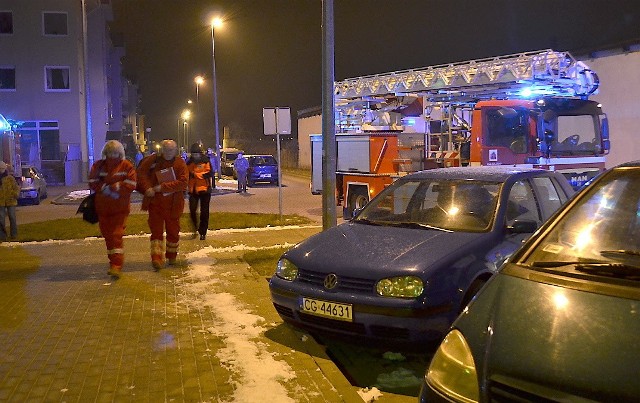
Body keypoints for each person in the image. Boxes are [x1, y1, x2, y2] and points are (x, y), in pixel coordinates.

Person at [136, 139, 188, 271]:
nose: (168, 152)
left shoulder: (180, 163)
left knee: (173, 232)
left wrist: (162, 187)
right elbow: (141, 173)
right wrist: (147, 188)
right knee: (156, 233)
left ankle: (172, 257)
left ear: (175, 150)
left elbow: (183, 183)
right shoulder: (153, 160)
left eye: (171, 150)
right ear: (162, 150)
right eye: (166, 149)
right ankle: (156, 258)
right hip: (155, 204)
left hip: (174, 205)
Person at [88, 141, 137, 278]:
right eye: (110, 153)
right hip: (103, 207)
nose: (112, 156)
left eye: (115, 153)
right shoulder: (99, 165)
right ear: (105, 153)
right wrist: (104, 187)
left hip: (120, 207)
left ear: (120, 153)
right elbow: (92, 181)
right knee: (108, 236)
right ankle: (112, 262)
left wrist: (116, 186)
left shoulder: (126, 165)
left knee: (116, 235)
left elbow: (132, 183)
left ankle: (117, 265)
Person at [186, 143, 213, 240]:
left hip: (204, 190)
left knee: (204, 212)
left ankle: (203, 232)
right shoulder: (189, 163)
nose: (195, 156)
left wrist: (196, 175)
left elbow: (210, 173)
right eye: (193, 154)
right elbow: (186, 174)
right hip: (193, 190)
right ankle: (195, 228)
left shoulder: (206, 161)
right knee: (192, 210)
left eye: (196, 154)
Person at [0, 161, 20, 241]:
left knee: (12, 217)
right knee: (1, 219)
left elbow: (16, 187)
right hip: (1, 201)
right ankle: (2, 236)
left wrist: (15, 194)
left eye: (2, 168)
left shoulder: (10, 178)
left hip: (11, 200)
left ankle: (14, 234)